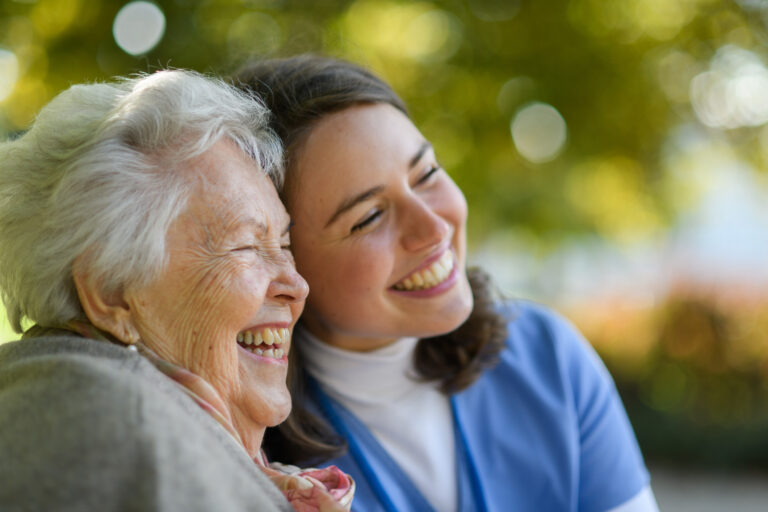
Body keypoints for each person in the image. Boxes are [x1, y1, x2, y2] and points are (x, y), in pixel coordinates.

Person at [234, 55, 659, 512]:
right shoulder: (251, 454)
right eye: (370, 217)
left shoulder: (548, 359)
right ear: (284, 262)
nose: (434, 227)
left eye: (427, 174)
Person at [0, 70, 353, 511]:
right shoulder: (105, 427)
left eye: (284, 245)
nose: (296, 286)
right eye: (246, 246)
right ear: (111, 292)